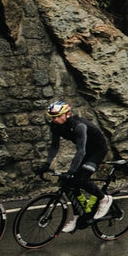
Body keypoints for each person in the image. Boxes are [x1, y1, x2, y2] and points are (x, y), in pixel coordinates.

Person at [36, 99, 112, 234]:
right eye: (53, 117)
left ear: (67, 114)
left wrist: (72, 171)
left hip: (97, 150)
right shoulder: (55, 126)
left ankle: (104, 199)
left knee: (81, 178)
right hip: (86, 152)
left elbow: (81, 151)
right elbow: (54, 147)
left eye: (58, 116)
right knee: (69, 183)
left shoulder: (79, 126)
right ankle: (78, 216)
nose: (55, 120)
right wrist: (46, 164)